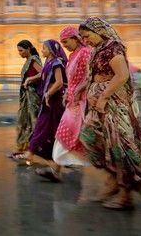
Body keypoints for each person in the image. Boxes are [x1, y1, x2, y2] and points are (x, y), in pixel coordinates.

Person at [78, 17, 141, 210]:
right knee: (89, 139)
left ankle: (126, 195)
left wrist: (104, 96)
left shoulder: (113, 48)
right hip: (98, 106)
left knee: (118, 147)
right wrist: (82, 89)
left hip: (113, 106)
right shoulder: (98, 50)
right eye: (82, 37)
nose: (85, 40)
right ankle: (114, 179)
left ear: (98, 30)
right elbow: (94, 76)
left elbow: (122, 75)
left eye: (87, 35)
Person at [40, 26, 92, 180]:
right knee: (64, 133)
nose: (64, 45)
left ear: (76, 38)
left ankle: (117, 175)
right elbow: (72, 79)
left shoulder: (85, 53)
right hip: (72, 102)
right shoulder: (74, 55)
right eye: (62, 43)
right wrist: (68, 92)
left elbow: (90, 76)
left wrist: (78, 90)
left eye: (66, 41)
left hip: (82, 101)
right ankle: (56, 169)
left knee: (73, 134)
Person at [20, 40, 67, 182]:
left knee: (45, 128)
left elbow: (59, 82)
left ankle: (36, 155)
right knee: (44, 128)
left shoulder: (57, 63)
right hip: (47, 102)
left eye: (44, 48)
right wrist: (30, 79)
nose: (42, 51)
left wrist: (48, 93)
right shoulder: (48, 62)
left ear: (52, 50)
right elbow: (42, 75)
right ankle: (50, 162)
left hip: (54, 102)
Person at [11, 40, 42, 157]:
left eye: (21, 50)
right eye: (18, 51)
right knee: (25, 121)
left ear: (28, 49)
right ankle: (25, 149)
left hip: (33, 95)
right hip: (27, 95)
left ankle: (33, 150)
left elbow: (43, 73)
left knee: (33, 121)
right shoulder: (28, 60)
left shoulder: (33, 60)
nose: (19, 53)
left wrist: (30, 79)